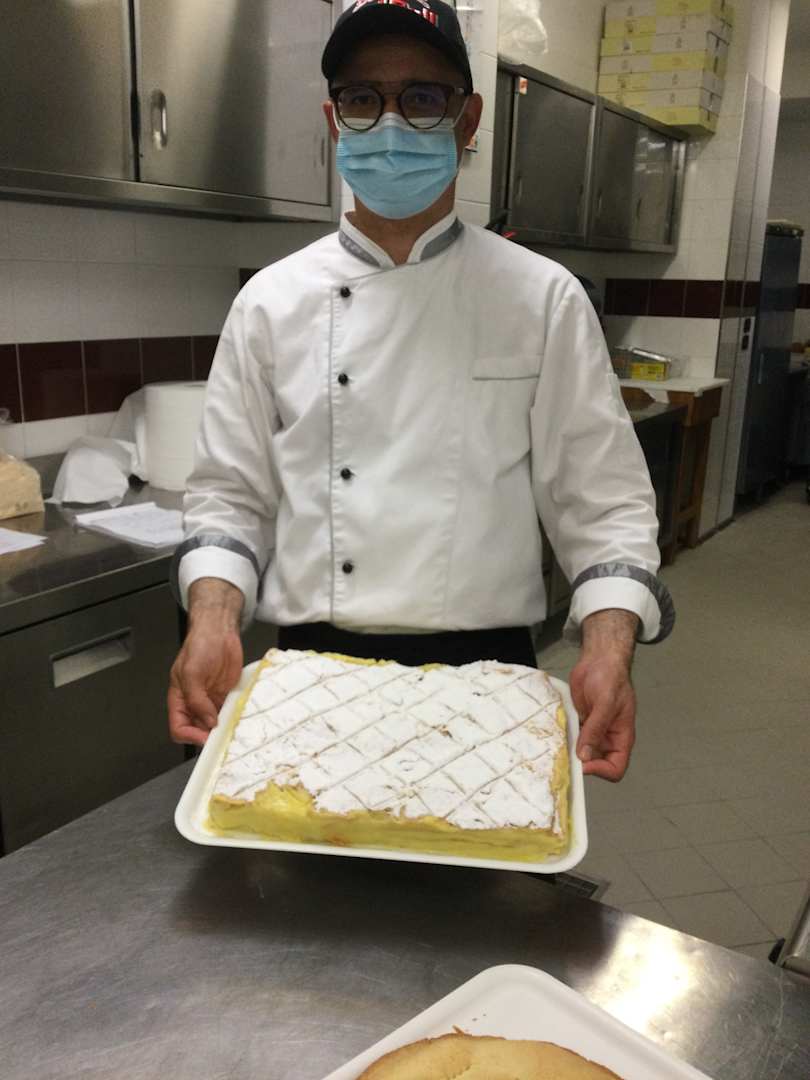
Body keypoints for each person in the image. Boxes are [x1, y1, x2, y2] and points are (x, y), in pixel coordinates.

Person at [167, 0, 674, 783]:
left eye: (423, 97)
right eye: (362, 98)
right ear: (334, 120)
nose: (390, 123)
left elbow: (603, 504)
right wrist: (211, 617)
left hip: (489, 674)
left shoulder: (543, 298)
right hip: (309, 669)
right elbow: (230, 495)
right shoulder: (269, 302)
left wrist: (611, 646)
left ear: (468, 121)